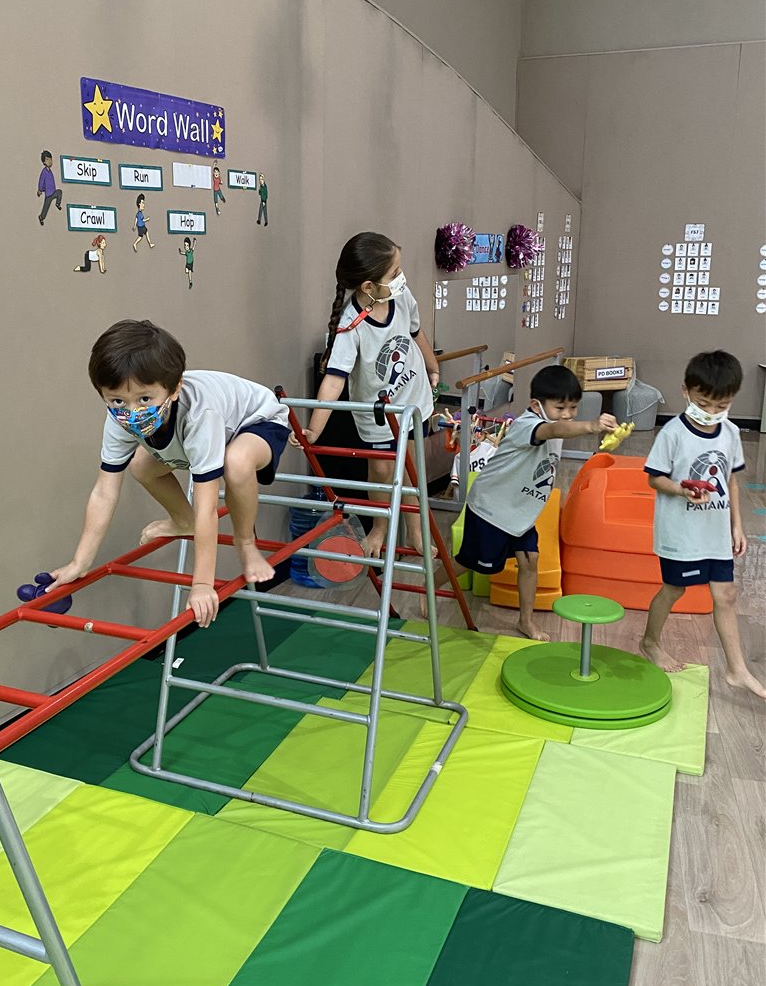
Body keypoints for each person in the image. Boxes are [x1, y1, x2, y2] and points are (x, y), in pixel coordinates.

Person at [47, 320, 291, 628]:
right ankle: (183, 521)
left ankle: (246, 543)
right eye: (118, 400)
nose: (132, 412)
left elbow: (207, 507)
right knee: (141, 465)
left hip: (257, 421)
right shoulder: (121, 420)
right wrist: (79, 562)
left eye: (144, 399)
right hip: (202, 436)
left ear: (174, 390)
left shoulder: (200, 414)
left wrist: (202, 584)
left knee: (236, 462)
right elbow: (104, 491)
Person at [291, 232, 439, 558]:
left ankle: (415, 531)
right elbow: (334, 380)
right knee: (381, 473)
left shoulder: (401, 296)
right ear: (368, 286)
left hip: (414, 401)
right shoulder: (351, 324)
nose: (401, 278)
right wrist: (313, 429)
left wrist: (433, 367)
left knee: (412, 470)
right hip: (378, 414)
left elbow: (416, 333)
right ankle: (380, 528)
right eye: (394, 273)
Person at [454, 365, 617, 640]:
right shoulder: (528, 425)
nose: (567, 414)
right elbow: (553, 429)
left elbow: (558, 431)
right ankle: (430, 584)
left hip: (519, 511)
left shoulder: (554, 426)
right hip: (491, 509)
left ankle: (526, 621)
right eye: (560, 407)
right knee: (469, 561)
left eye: (573, 407)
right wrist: (590, 425)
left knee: (530, 561)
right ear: (535, 405)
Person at [640, 350, 764, 700]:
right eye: (703, 403)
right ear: (686, 391)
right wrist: (682, 490)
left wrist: (737, 525)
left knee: (726, 594)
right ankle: (650, 642)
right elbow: (654, 479)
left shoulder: (731, 432)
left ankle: (737, 670)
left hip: (715, 530)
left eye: (720, 405)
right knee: (674, 590)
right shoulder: (673, 433)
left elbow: (731, 479)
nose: (711, 411)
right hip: (681, 531)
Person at [37, 151, 63, 225]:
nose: (50, 161)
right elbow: (41, 181)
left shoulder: (50, 171)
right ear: (44, 162)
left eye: (50, 159)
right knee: (46, 207)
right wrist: (40, 190)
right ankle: (41, 217)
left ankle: (57, 204)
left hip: (53, 191)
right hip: (48, 194)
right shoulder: (44, 172)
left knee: (59, 192)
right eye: (47, 160)